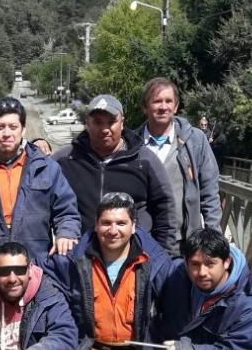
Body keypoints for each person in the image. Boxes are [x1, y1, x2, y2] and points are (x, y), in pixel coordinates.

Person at [45, 193, 170, 350]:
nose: (113, 230)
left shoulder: (153, 262)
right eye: (106, 223)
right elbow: (36, 271)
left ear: (134, 226)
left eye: (121, 223)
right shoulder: (75, 258)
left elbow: (181, 282)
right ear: (96, 225)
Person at [0, 96, 81, 295]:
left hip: (37, 272)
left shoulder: (46, 168)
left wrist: (66, 233)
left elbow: (67, 212)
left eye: (13, 126)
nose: (7, 133)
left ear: (23, 130)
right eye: (0, 127)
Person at [53, 94, 176, 251]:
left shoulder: (144, 160)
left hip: (136, 260)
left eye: (111, 122)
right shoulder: (65, 160)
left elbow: (166, 210)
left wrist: (163, 255)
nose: (104, 129)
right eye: (97, 122)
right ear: (87, 124)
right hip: (82, 259)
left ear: (122, 123)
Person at [137, 79, 221, 245]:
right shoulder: (132, 144)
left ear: (175, 106)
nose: (163, 107)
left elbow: (210, 193)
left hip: (184, 242)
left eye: (168, 101)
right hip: (141, 242)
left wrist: (214, 240)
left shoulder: (195, 141)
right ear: (145, 106)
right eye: (156, 101)